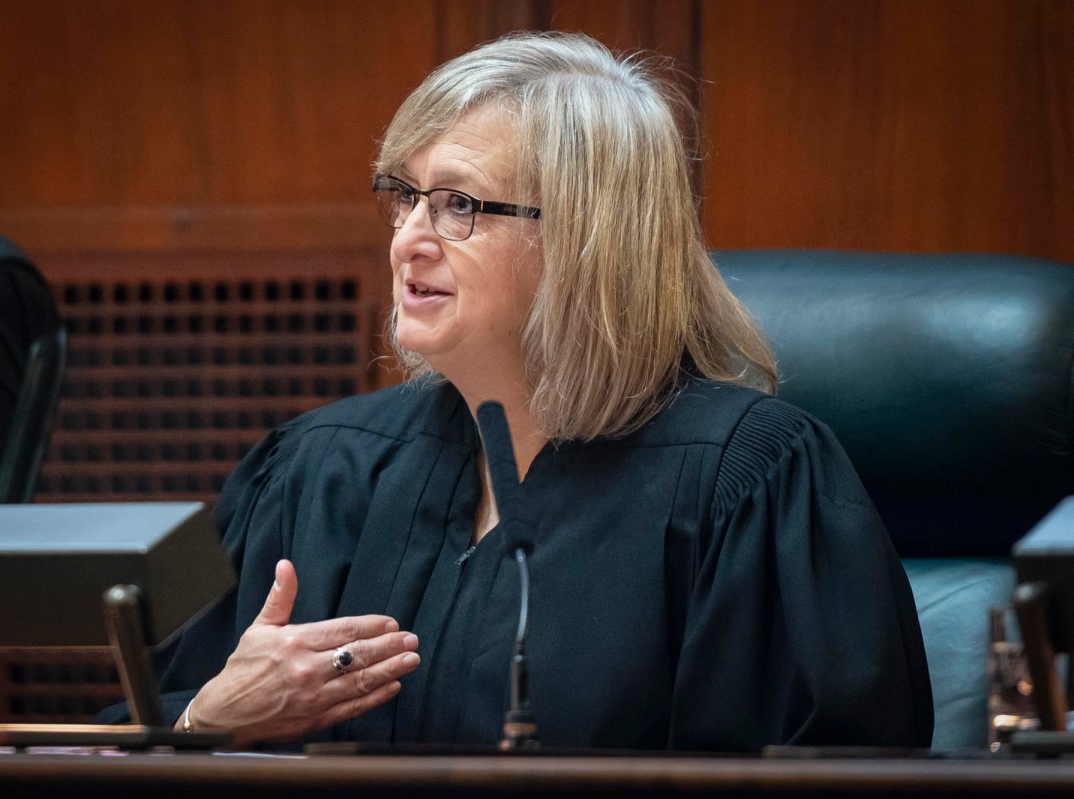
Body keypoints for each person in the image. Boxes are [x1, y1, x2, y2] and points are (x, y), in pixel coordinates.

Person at [140, 31, 934, 751]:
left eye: (458, 204)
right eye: (404, 196)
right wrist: (205, 722)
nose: (409, 237)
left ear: (588, 239)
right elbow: (118, 747)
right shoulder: (314, 472)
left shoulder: (747, 485)